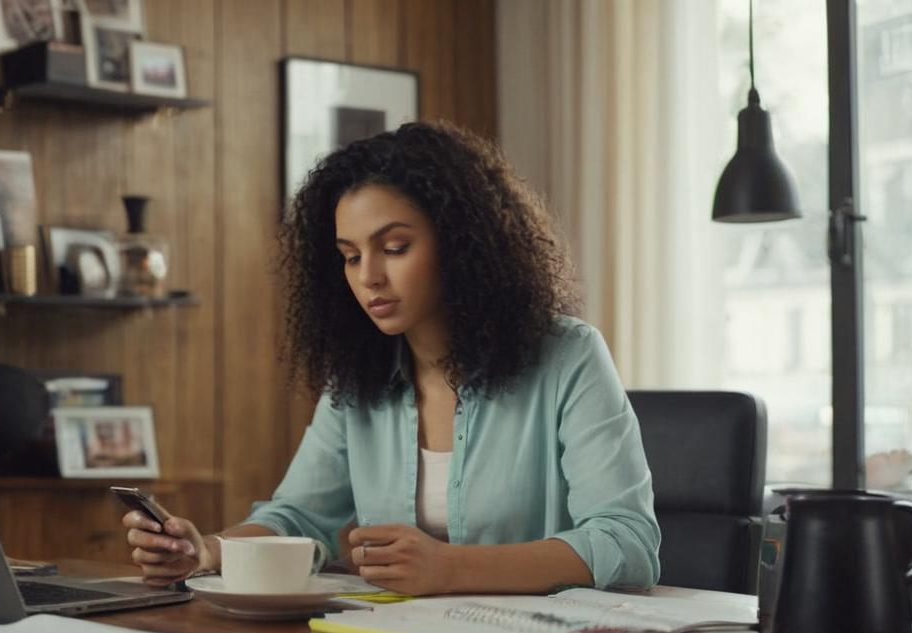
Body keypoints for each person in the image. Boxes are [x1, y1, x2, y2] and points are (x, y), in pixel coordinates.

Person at [123, 121, 661, 595]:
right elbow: (298, 517)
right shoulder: (358, 379)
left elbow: (628, 543)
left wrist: (450, 567)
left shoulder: (568, 356)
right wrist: (208, 551)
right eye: (351, 257)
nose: (368, 277)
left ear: (459, 243)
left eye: (395, 248)